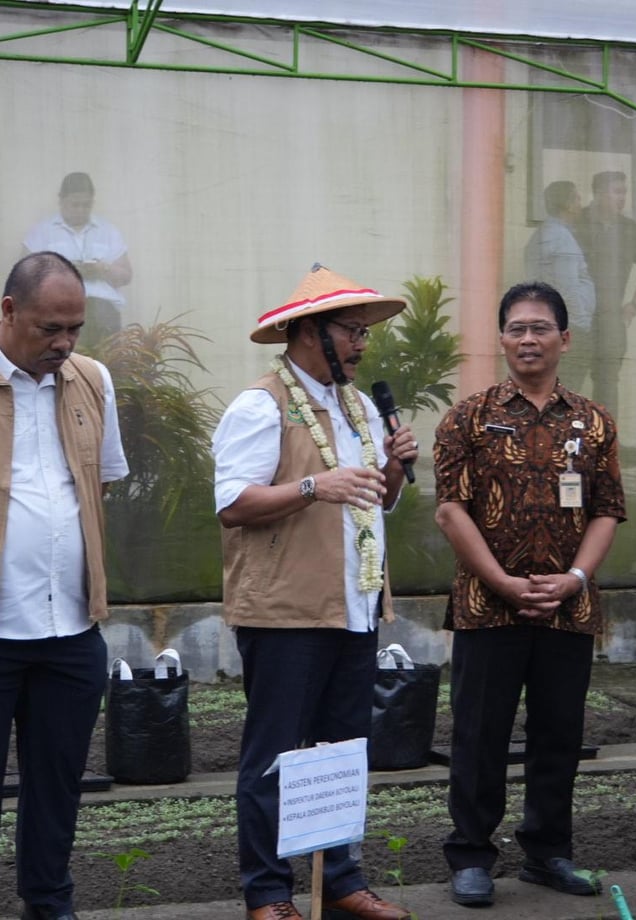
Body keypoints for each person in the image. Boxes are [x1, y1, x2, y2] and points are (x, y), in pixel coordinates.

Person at [212, 263, 420, 920]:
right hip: (286, 611)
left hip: (354, 605)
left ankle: (340, 878)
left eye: (364, 331)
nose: (361, 343)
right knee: (275, 754)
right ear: (308, 332)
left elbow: (374, 501)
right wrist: (312, 487)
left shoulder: (358, 406)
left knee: (341, 753)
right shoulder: (261, 405)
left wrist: (393, 468)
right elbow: (232, 504)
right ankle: (268, 893)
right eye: (350, 330)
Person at [433, 280, 626, 907]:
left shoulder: (593, 422)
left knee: (558, 734)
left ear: (564, 338)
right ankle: (471, 855)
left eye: (540, 327)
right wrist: (503, 583)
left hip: (568, 608)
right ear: (501, 339)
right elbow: (451, 511)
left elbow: (607, 509)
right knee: (478, 734)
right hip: (489, 607)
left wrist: (574, 579)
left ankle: (547, 852)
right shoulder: (467, 418)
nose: (528, 339)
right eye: (516, 328)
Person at [0, 251, 128, 920]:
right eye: (50, 328)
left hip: (72, 627)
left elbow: (97, 485)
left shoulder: (93, 381)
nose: (65, 343)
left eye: (75, 328)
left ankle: (48, 902)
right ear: (8, 311)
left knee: (57, 784)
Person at [574, 170, 636, 416]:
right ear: (599, 193)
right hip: (577, 317)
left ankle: (605, 436)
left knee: (608, 382)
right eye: (617, 192)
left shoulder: (628, 228)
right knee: (570, 377)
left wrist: (634, 305)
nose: (622, 198)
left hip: (611, 318)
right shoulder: (578, 222)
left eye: (624, 192)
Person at [22, 172, 133, 349]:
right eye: (75, 205)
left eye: (86, 205)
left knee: (107, 361)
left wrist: (102, 269)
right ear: (61, 201)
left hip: (102, 308)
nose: (81, 210)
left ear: (92, 202)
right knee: (64, 360)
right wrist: (62, 272)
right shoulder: (42, 232)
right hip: (58, 308)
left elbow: (126, 276)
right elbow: (25, 277)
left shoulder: (108, 231)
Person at [524, 180, 595, 393]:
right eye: (578, 198)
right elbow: (567, 289)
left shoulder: (544, 234)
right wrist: (580, 326)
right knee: (566, 391)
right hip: (568, 326)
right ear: (568, 204)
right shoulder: (561, 238)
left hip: (550, 323)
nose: (581, 204)